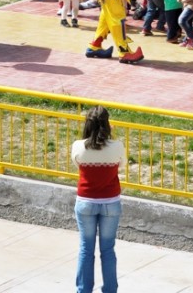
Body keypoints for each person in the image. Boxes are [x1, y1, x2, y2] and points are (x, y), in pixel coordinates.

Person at [71, 105, 124, 293]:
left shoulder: (78, 146)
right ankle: (110, 290)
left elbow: (76, 163)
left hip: (86, 201)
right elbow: (122, 164)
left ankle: (83, 290)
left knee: (86, 249)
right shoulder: (117, 146)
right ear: (107, 124)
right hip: (111, 202)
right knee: (108, 250)